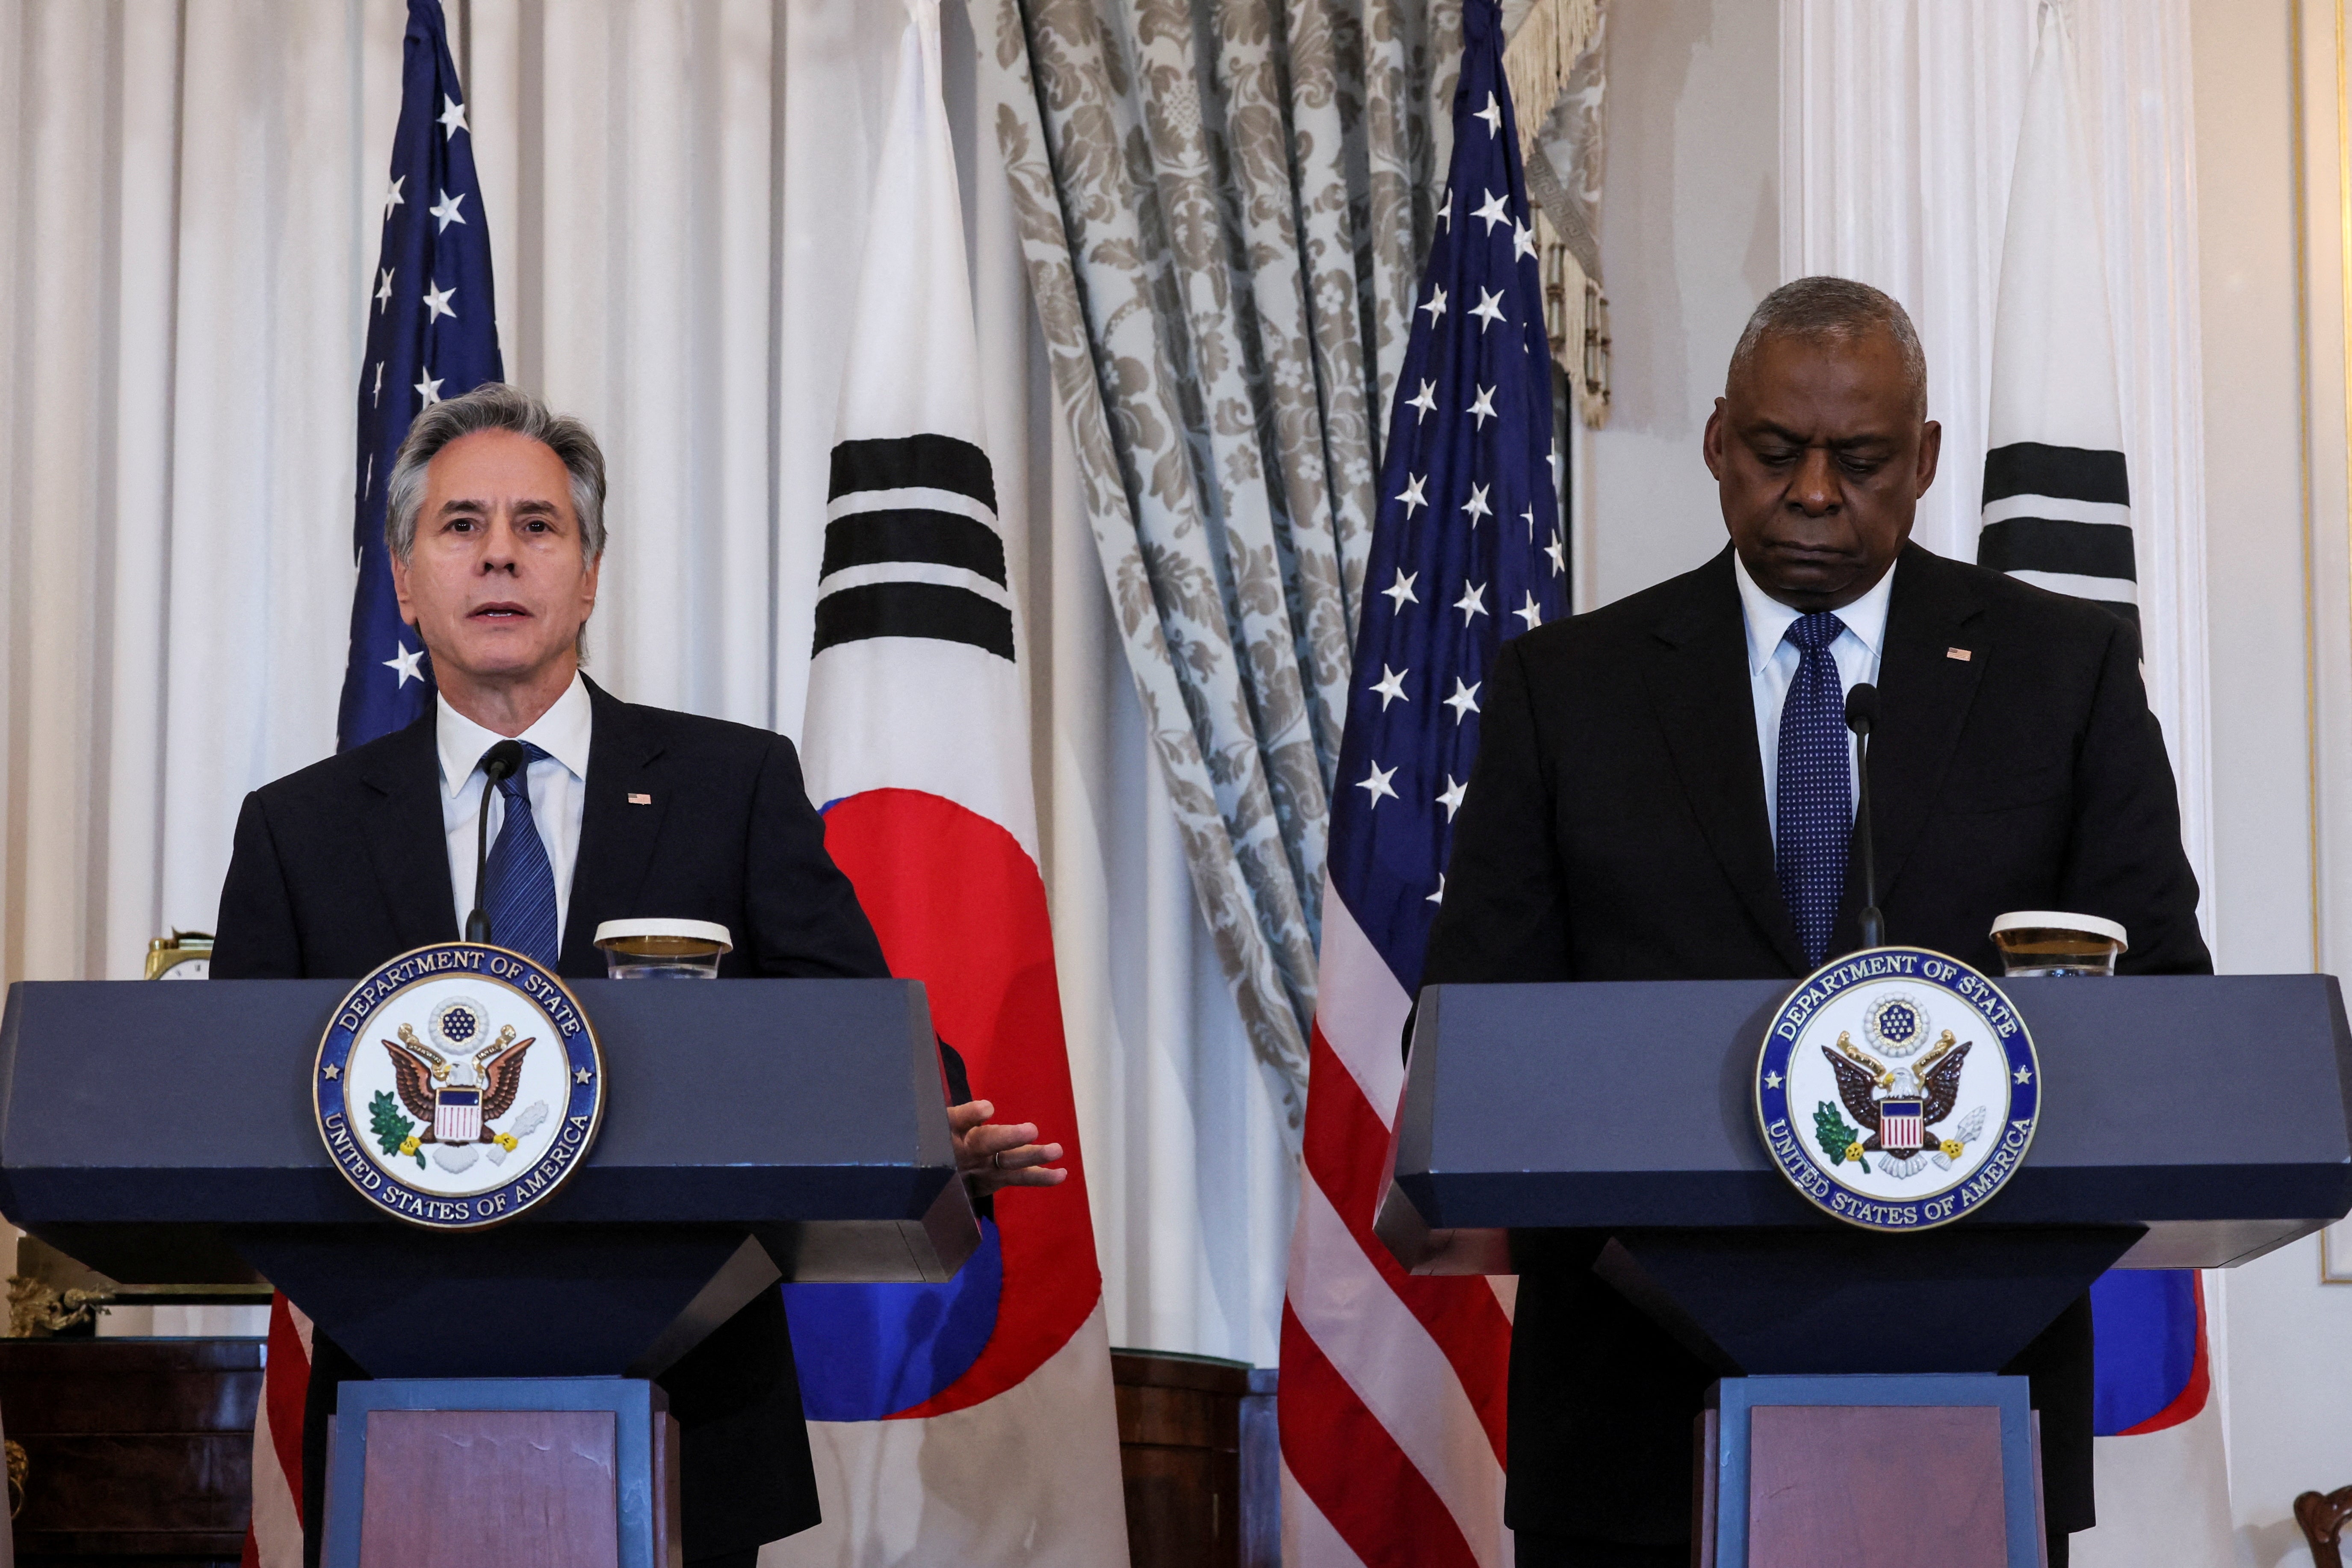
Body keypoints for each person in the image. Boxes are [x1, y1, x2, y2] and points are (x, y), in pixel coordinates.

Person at [1423, 276, 2210, 1568]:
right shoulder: (1568, 690)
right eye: (1779, 453)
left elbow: (2167, 1005)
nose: (1811, 493)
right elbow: (1470, 1032)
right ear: (1720, 443)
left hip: (1970, 1405)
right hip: (1631, 1420)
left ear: (1927, 461)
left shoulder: (2057, 673)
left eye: (1861, 460)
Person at [211, 382, 1066, 1568]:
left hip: (689, 1410)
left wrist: (930, 1128)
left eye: (538, 525)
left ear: (592, 571)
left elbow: (856, 1033)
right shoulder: (297, 830)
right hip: (393, 1407)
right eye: (460, 526)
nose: (499, 553)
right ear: (405, 581)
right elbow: (230, 1102)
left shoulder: (731, 785)